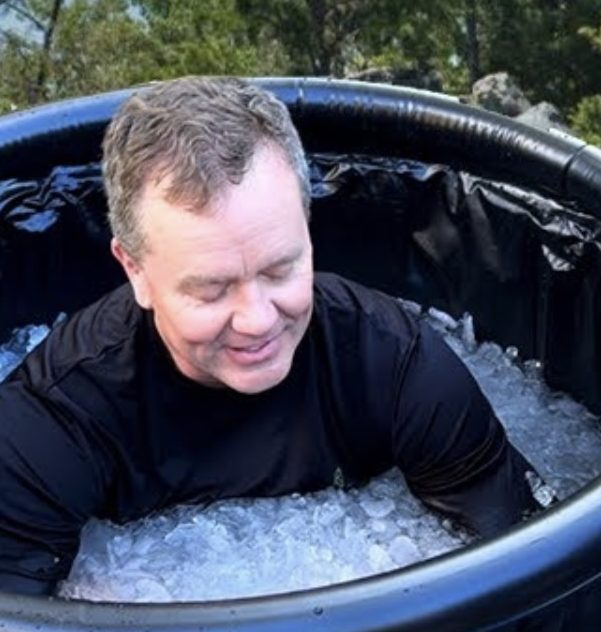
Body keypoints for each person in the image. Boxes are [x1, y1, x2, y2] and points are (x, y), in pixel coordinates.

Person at [0, 76, 547, 596]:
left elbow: (527, 560)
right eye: (212, 290)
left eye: (279, 270)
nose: (258, 320)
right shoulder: (56, 415)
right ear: (135, 270)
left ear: (308, 230)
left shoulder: (392, 360)